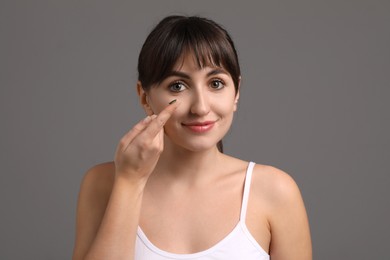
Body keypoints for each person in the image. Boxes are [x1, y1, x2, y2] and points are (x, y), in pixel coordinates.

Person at [72, 15, 312, 260]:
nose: (200, 107)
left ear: (236, 92)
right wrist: (129, 182)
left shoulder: (275, 191)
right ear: (145, 97)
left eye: (216, 83)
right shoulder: (103, 184)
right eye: (177, 85)